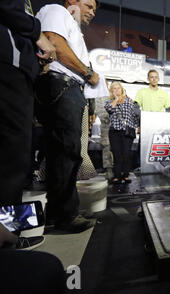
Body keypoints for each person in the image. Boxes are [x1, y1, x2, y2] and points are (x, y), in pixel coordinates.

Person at [34, 0, 99, 233]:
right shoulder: (57, 11)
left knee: (64, 152)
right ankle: (64, 215)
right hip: (60, 86)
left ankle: (61, 211)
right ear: (72, 1)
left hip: (67, 89)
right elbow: (54, 42)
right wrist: (88, 72)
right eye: (89, 5)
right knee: (65, 152)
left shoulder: (71, 24)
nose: (92, 12)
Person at [0, 0, 56, 206]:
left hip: (16, 67)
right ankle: (7, 233)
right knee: (12, 157)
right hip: (9, 68)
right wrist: (38, 34)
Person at [104, 82, 140, 185]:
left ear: (122, 89)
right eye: (114, 89)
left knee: (126, 153)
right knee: (117, 154)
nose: (116, 90)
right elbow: (110, 110)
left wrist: (137, 126)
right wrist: (116, 99)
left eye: (118, 88)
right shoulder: (110, 102)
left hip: (127, 131)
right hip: (114, 130)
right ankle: (117, 175)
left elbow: (136, 115)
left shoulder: (130, 101)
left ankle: (126, 174)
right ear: (111, 91)